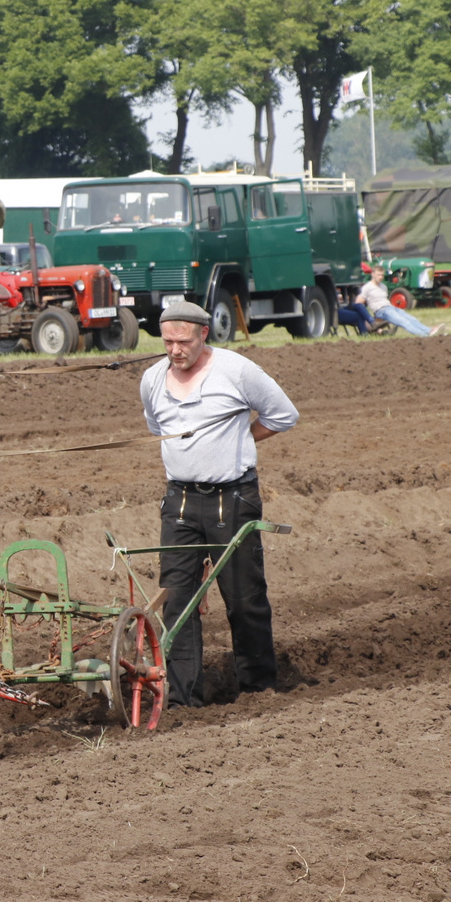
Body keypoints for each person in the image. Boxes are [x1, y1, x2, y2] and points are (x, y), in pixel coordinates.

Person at [141, 301, 300, 707]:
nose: (176, 351)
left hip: (232, 498)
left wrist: (240, 438)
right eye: (168, 342)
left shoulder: (237, 370)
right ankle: (181, 698)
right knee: (176, 600)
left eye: (184, 342)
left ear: (204, 335)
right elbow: (157, 428)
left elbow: (283, 414)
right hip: (178, 501)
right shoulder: (152, 379)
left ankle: (258, 688)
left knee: (243, 597)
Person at [357, 265, 444, 336]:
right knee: (404, 322)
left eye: (382, 275)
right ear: (373, 274)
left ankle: (429, 331)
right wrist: (368, 317)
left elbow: (384, 300)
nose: (380, 277)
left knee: (411, 319)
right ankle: (425, 336)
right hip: (382, 311)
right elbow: (358, 302)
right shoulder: (367, 287)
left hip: (390, 308)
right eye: (378, 275)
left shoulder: (383, 286)